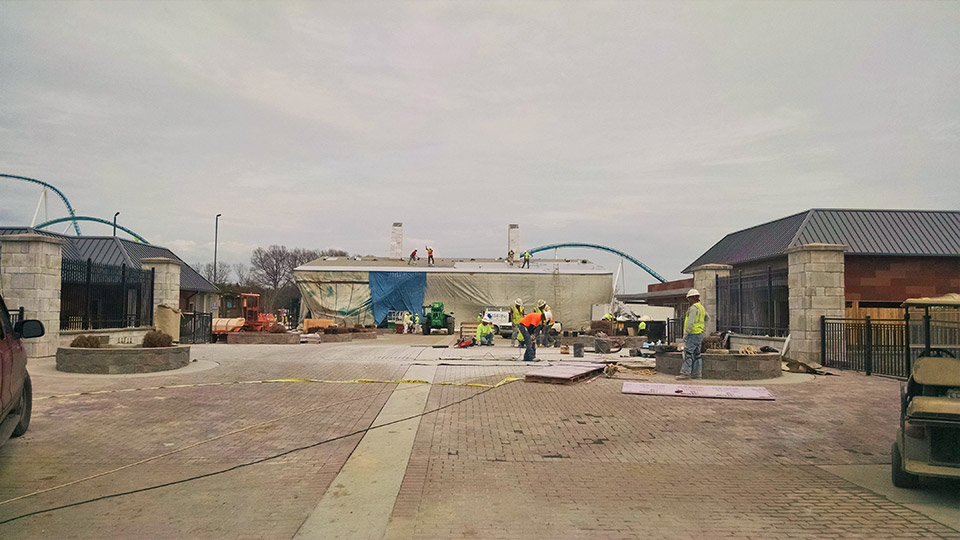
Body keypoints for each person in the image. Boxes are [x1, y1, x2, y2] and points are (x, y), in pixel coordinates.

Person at [678, 288, 708, 380]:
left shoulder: (693, 308)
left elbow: (690, 323)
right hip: (699, 334)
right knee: (697, 355)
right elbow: (707, 318)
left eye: (689, 299)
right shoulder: (701, 308)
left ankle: (685, 373)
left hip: (693, 334)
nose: (688, 301)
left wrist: (686, 334)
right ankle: (697, 374)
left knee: (688, 353)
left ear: (693, 298)